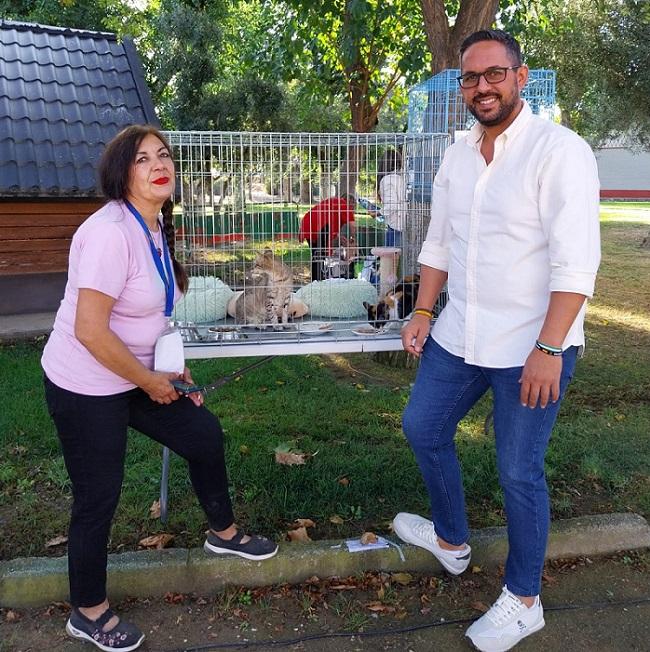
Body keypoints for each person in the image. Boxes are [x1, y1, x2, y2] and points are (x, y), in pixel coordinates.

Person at [393, 30, 600, 652]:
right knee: (422, 428)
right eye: (470, 78)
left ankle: (524, 600)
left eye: (494, 74)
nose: (481, 86)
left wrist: (550, 349)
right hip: (459, 335)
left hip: (532, 347)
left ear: (520, 75)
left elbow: (576, 266)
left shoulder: (558, 151)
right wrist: (424, 308)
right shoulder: (457, 154)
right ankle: (453, 541)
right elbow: (438, 244)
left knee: (517, 470)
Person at [41, 125, 278, 652]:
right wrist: (148, 380)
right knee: (98, 495)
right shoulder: (108, 233)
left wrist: (170, 366)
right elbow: (90, 330)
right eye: (142, 158)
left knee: (202, 434)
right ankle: (88, 610)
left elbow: (150, 309)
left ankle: (222, 533)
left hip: (134, 374)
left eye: (163, 155)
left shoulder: (153, 225)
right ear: (122, 173)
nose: (157, 164)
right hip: (84, 383)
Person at [298, 194, 357, 280]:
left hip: (308, 223)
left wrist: (339, 237)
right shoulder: (345, 205)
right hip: (319, 226)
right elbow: (353, 226)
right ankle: (318, 281)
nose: (353, 209)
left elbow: (330, 223)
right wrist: (353, 240)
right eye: (353, 206)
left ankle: (317, 280)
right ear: (351, 203)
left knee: (316, 254)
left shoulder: (335, 203)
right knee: (320, 254)